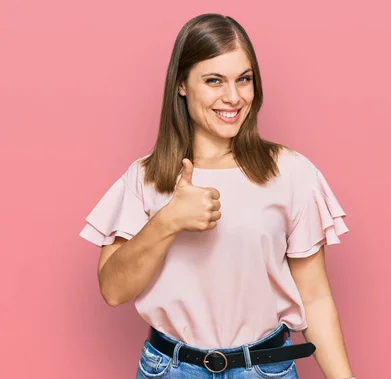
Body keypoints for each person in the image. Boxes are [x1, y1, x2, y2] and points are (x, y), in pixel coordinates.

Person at [79, 13, 355, 379]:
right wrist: (168, 220)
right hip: (170, 370)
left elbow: (316, 298)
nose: (233, 96)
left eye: (244, 79)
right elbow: (113, 290)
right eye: (214, 81)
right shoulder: (146, 178)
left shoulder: (290, 172)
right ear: (181, 84)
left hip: (263, 369)